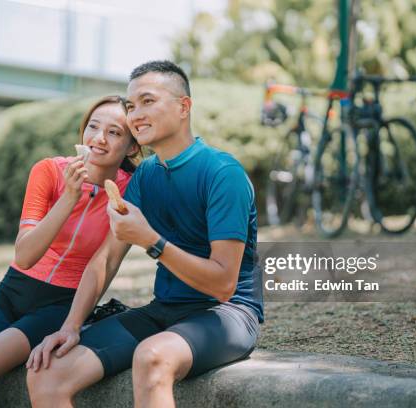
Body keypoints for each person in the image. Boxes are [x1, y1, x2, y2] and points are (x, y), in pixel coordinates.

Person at [26, 60, 263, 408]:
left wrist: (152, 241)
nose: (136, 114)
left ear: (184, 107)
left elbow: (223, 283)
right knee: (47, 373)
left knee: (151, 357)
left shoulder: (222, 173)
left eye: (148, 101)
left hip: (227, 314)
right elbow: (106, 258)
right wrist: (71, 326)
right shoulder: (146, 176)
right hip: (165, 310)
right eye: (131, 106)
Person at [0, 95, 141, 408]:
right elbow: (25, 256)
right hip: (12, 290)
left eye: (114, 132)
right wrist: (69, 197)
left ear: (132, 146)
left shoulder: (130, 191)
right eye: (93, 127)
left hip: (61, 302)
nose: (99, 138)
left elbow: (107, 262)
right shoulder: (50, 172)